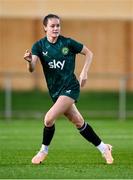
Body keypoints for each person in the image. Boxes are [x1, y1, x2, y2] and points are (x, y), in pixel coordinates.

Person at [24, 14, 114, 165]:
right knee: (78, 122)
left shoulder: (67, 43)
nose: (56, 28)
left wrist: (84, 72)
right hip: (55, 91)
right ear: (45, 28)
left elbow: (89, 53)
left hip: (70, 88)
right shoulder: (38, 46)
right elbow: (32, 68)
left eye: (58, 25)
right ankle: (104, 148)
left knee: (48, 118)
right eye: (52, 26)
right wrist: (28, 62)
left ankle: (43, 151)